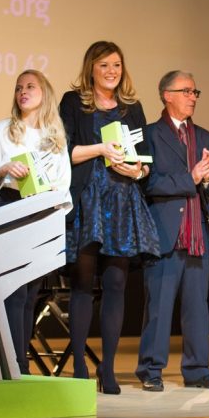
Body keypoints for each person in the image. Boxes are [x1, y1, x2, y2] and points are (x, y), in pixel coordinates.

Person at [59, 41, 159, 394]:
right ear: (91, 69)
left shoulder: (132, 108)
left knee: (116, 285)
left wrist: (135, 171)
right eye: (104, 65)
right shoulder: (74, 103)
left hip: (122, 203)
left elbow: (146, 161)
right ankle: (80, 368)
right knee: (83, 285)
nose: (112, 71)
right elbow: (64, 152)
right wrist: (101, 149)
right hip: (89, 200)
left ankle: (110, 369)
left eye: (116, 64)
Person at [135, 70, 209, 392]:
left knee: (197, 308)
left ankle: (198, 371)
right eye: (187, 91)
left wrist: (207, 179)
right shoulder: (149, 134)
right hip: (166, 231)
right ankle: (151, 370)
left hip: (198, 232)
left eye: (195, 91)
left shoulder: (204, 136)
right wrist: (189, 178)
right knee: (159, 308)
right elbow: (147, 182)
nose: (193, 97)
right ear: (167, 95)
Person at [0, 69, 72, 374]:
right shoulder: (2, 130)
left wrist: (48, 193)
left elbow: (64, 184)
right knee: (13, 291)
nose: (23, 92)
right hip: (9, 209)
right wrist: (3, 169)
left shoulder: (55, 138)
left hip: (41, 213)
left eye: (30, 87)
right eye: (19, 87)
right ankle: (10, 363)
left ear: (44, 93)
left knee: (31, 293)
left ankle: (20, 362)